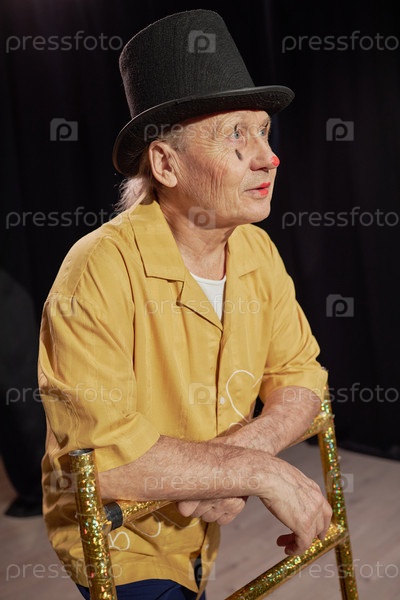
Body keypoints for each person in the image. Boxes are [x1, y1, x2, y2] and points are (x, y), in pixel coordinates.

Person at [38, 9, 332, 600]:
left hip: (200, 532)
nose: (268, 157)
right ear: (166, 164)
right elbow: (104, 458)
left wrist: (238, 458)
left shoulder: (256, 250)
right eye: (236, 135)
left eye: (263, 132)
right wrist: (256, 470)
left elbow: (302, 375)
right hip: (122, 539)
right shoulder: (96, 268)